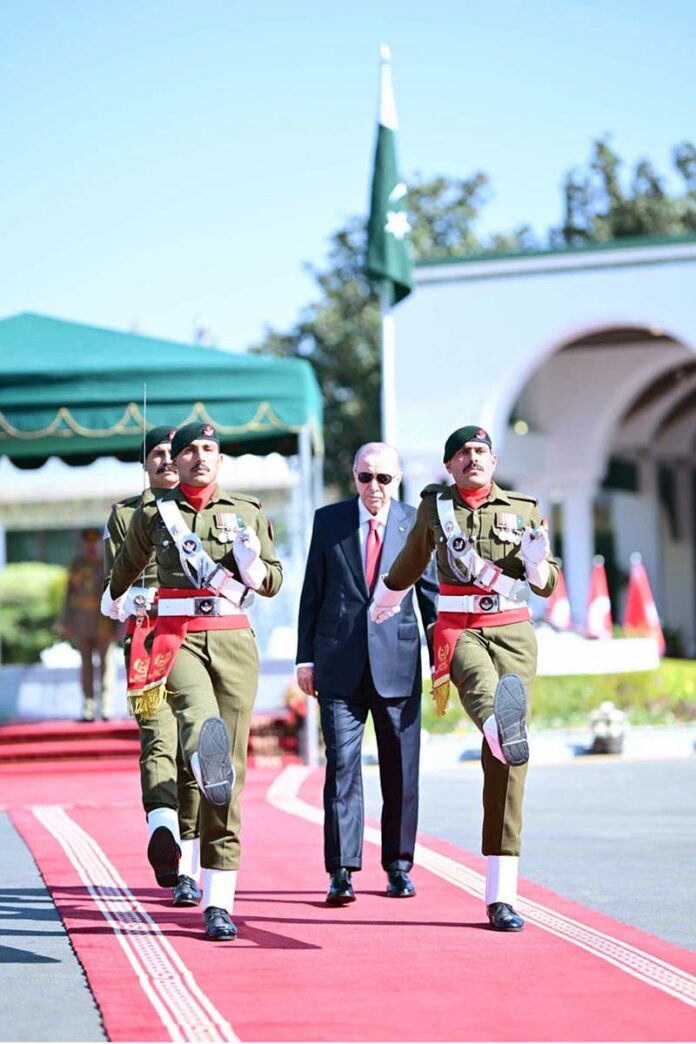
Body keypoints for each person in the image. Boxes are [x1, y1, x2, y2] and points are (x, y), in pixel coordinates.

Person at [371, 426, 558, 932]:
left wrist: (539, 564)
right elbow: (412, 559)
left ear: (493, 462)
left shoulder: (522, 508)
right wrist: (386, 599)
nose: (472, 459)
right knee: (482, 691)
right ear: (450, 466)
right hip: (459, 628)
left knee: (507, 768)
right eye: (462, 454)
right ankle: (499, 722)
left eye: (480, 452)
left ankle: (502, 896)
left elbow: (545, 582)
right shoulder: (437, 508)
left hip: (514, 630)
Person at [103, 422, 282, 941]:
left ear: (219, 459)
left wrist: (251, 564)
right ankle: (199, 769)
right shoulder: (153, 514)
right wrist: (113, 601)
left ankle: (217, 901)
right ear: (174, 463)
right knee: (200, 727)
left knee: (230, 774)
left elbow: (272, 581)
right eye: (189, 451)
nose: (200, 457)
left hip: (232, 638)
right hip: (174, 636)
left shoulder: (245, 510)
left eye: (209, 450)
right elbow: (126, 567)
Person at [296, 442, 438, 905]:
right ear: (353, 475)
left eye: (384, 479)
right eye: (365, 477)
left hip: (397, 663)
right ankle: (341, 870)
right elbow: (312, 593)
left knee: (401, 770)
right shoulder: (329, 521)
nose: (374, 487)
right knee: (341, 769)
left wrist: (444, 659)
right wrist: (305, 659)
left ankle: (398, 865)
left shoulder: (416, 522)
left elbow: (430, 597)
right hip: (338, 664)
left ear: (396, 480)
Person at [103, 425, 202, 908]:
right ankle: (164, 832)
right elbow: (115, 588)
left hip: (202, 641)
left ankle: (190, 860)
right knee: (160, 740)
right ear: (145, 464)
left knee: (198, 747)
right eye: (157, 455)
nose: (166, 461)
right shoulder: (128, 515)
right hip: (149, 640)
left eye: (173, 453)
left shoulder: (204, 509)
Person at [61, 528, 117, 722]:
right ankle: (88, 706)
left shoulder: (108, 564)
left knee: (106, 665)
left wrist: (119, 625)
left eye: (95, 544)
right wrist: (65, 621)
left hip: (104, 621)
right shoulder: (77, 564)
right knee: (86, 665)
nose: (91, 547)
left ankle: (106, 706)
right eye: (88, 544)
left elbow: (117, 594)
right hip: (82, 620)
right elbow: (68, 595)